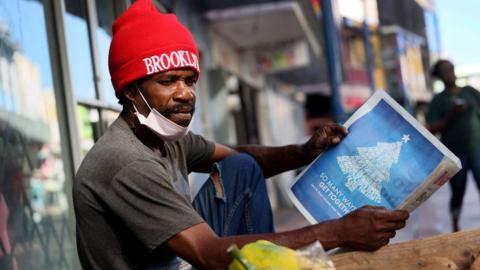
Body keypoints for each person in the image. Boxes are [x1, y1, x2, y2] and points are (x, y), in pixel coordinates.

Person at [73, 1, 409, 269]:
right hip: (190, 260)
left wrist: (304, 151)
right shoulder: (126, 161)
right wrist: (336, 231)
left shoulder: (165, 138)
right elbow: (208, 254)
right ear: (131, 92)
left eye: (189, 81)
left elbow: (240, 156)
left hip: (183, 262)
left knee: (243, 166)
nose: (185, 93)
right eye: (167, 81)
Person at [426, 59, 480, 232]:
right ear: (440, 77)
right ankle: (456, 225)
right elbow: (431, 128)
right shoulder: (439, 100)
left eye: (451, 69)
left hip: (476, 147)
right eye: (445, 71)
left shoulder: (470, 92)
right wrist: (451, 115)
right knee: (458, 190)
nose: (450, 74)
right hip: (455, 153)